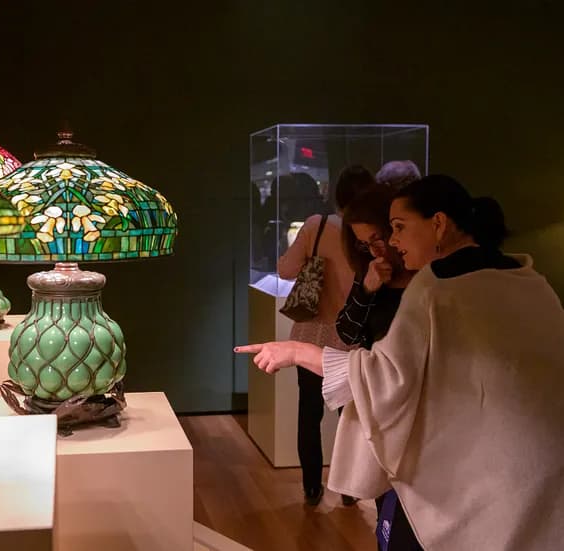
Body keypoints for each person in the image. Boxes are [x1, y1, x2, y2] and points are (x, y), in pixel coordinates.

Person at [237, 175, 564, 550]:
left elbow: (385, 377)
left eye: (398, 228)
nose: (392, 242)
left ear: (438, 223)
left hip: (475, 478)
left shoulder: (434, 288)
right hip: (542, 473)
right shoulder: (532, 281)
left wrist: (298, 352)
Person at [275, 164, 375, 506]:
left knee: (309, 411)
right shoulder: (373, 234)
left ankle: (312, 487)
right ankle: (349, 489)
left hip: (311, 334)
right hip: (354, 334)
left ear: (335, 194)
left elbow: (285, 269)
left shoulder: (317, 226)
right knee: (349, 415)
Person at [334, 184, 420, 549]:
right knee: (383, 502)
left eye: (379, 236)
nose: (376, 248)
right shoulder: (371, 273)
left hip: (414, 405)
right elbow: (346, 331)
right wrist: (366, 288)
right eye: (365, 243)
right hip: (377, 401)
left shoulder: (425, 278)